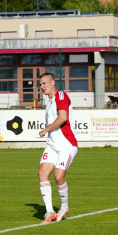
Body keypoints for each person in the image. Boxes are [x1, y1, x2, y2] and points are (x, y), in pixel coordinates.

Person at [37, 72, 78, 223]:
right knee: (42, 174)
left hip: (66, 145)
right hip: (52, 146)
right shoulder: (49, 103)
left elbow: (63, 118)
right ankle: (49, 211)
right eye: (40, 84)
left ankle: (64, 207)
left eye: (44, 83)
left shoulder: (61, 96)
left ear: (53, 83)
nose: (42, 87)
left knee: (58, 176)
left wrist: (46, 130)